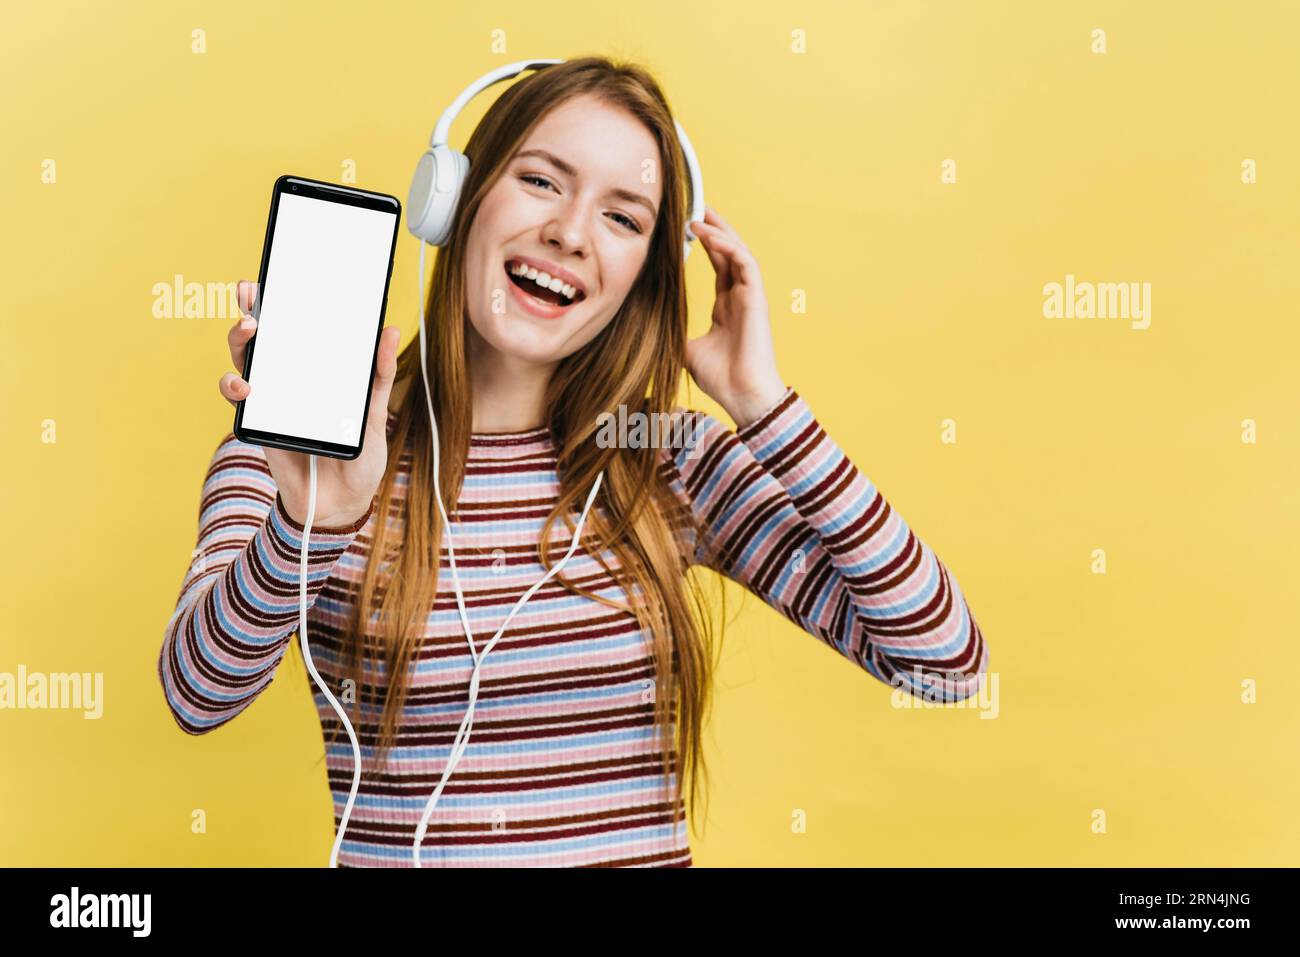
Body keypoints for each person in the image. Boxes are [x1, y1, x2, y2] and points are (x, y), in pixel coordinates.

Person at [158, 56, 989, 867]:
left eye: (623, 218)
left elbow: (948, 664)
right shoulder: (298, 458)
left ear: (642, 278)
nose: (569, 232)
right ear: (454, 199)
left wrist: (764, 404)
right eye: (542, 180)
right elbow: (197, 694)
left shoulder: (666, 460)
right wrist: (315, 520)